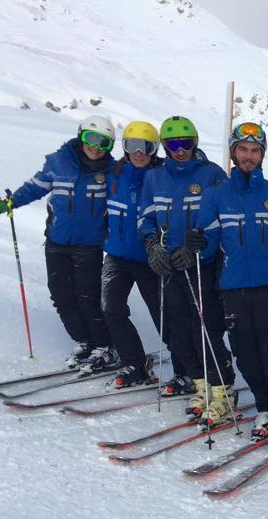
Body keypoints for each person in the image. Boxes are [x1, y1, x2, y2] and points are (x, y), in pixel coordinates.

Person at [194, 121, 268, 440]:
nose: (249, 156)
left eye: (255, 150)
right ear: (232, 153)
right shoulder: (216, 196)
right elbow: (208, 246)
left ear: (263, 154)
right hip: (232, 288)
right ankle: (265, 407)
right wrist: (198, 244)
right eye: (243, 149)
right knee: (246, 355)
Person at [0, 115, 116, 369]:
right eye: (91, 139)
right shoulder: (58, 163)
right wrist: (9, 203)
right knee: (61, 295)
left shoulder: (111, 172)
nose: (96, 147)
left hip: (89, 246)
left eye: (104, 143)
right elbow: (34, 188)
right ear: (80, 137)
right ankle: (83, 341)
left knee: (88, 297)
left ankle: (104, 345)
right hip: (56, 242)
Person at [138, 116, 233, 418]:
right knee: (177, 330)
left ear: (195, 143)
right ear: (165, 146)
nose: (180, 150)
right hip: (169, 265)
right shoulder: (154, 178)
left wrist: (201, 247)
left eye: (186, 143)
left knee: (204, 329)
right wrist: (152, 246)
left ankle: (222, 390)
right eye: (174, 144)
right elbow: (146, 217)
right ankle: (201, 385)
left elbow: (225, 217)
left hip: (200, 265)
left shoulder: (211, 174)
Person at [100, 121, 165, 389]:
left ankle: (189, 368)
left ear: (154, 150)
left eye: (145, 147)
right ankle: (134, 363)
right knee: (111, 308)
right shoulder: (113, 175)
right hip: (117, 255)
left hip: (150, 259)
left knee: (164, 316)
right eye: (132, 146)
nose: (138, 153)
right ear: (124, 148)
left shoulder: (161, 177)